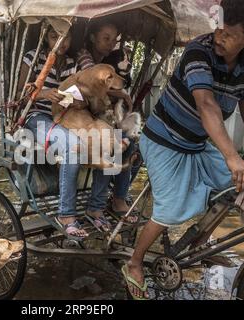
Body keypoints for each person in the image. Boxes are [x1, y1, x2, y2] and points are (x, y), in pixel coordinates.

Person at [121, 0, 244, 299]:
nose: (218, 37)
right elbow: (206, 103)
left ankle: (196, 243)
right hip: (163, 142)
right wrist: (231, 155)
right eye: (218, 29)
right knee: (171, 210)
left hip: (196, 144)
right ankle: (134, 263)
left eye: (228, 34)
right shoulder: (198, 51)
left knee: (238, 185)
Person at [16, 25, 111, 238]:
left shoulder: (71, 64)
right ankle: (66, 214)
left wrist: (79, 101)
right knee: (72, 146)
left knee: (106, 141)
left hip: (67, 117)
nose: (61, 42)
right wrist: (44, 93)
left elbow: (80, 94)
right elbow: (20, 91)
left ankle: (96, 207)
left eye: (65, 37)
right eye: (54, 36)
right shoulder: (33, 58)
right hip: (36, 117)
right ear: (46, 38)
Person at [77, 20, 138, 224]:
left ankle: (118, 197)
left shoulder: (108, 59)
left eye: (113, 40)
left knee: (132, 144)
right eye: (106, 38)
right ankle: (96, 206)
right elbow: (95, 84)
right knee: (111, 144)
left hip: (97, 116)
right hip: (79, 115)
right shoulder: (85, 56)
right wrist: (120, 92)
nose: (110, 43)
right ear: (93, 37)